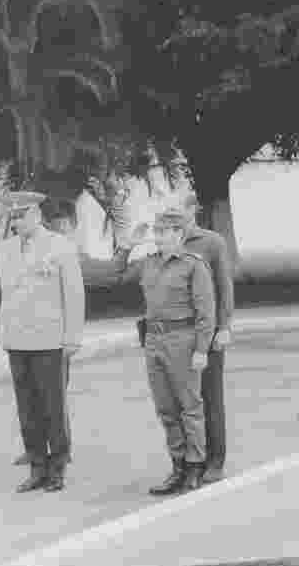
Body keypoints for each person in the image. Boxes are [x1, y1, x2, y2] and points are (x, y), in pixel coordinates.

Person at [86, 207, 216, 495]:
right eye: (156, 231)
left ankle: (195, 465)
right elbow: (115, 274)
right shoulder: (149, 263)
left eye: (163, 232)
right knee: (166, 408)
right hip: (154, 340)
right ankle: (178, 465)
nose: (157, 237)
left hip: (183, 338)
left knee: (190, 407)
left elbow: (206, 312)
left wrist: (201, 349)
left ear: (178, 234)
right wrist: (127, 246)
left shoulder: (193, 266)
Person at [0, 191, 85, 493]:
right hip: (17, 339)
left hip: (49, 338)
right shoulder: (4, 249)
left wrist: (72, 336)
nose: (17, 222)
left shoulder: (59, 246)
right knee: (27, 409)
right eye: (13, 217)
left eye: (22, 215)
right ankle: (37, 466)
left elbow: (74, 293)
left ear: (37, 215)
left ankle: (57, 467)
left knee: (52, 407)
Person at [180, 193, 235, 483]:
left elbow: (224, 286)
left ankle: (216, 460)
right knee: (185, 402)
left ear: (192, 210)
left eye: (178, 208)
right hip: (179, 335)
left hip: (208, 331)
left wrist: (224, 326)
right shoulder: (165, 241)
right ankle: (192, 460)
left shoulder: (212, 242)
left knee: (210, 398)